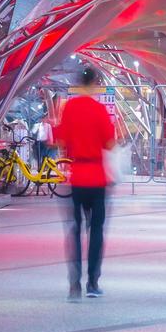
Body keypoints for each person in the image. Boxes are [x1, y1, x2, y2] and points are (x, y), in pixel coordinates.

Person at [54, 68, 116, 300]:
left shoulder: (69, 108)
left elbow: (61, 139)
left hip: (77, 175)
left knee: (74, 229)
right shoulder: (99, 110)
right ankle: (93, 282)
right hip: (97, 176)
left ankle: (74, 283)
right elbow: (109, 143)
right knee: (96, 231)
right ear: (95, 84)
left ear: (80, 83)